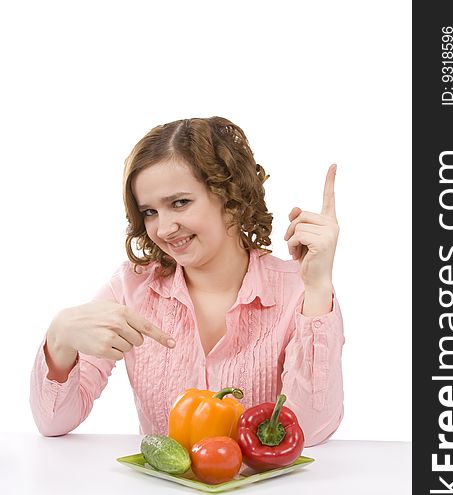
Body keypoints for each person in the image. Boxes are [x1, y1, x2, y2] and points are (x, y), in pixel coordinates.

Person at [29, 116, 344, 447]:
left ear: (230, 197)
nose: (163, 228)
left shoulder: (299, 290)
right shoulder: (130, 289)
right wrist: (59, 338)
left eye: (179, 203)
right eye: (149, 212)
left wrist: (319, 285)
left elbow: (310, 429)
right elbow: (53, 422)